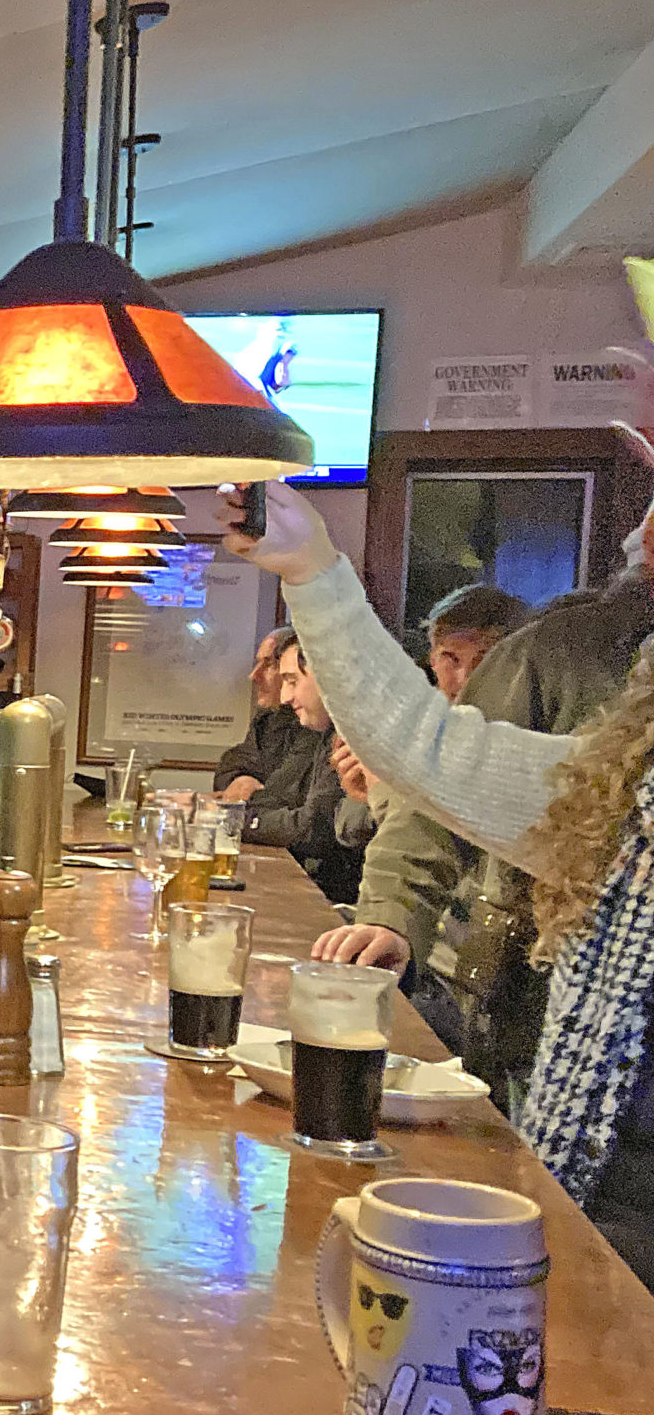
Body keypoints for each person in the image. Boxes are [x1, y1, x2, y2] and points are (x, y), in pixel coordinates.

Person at [223, 482, 654, 1285]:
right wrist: (312, 569)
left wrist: (315, 569)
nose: (643, 530)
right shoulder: (628, 792)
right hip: (591, 1152)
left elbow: (424, 753)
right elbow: (429, 756)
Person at [318, 555, 653, 1099]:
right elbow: (430, 798)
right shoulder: (565, 648)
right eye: (446, 658)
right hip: (523, 974)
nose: (459, 675)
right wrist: (392, 919)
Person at [328, 585, 528, 856]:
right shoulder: (405, 721)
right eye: (451, 659)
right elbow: (348, 829)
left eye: (484, 662)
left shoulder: (520, 735)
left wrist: (390, 799)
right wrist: (367, 793)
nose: (465, 678)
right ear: (433, 658)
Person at [241, 636, 359, 902]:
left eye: (292, 681)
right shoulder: (328, 731)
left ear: (330, 676)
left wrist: (233, 821)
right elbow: (282, 797)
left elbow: (315, 827)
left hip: (347, 908)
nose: (285, 697)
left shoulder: (357, 736)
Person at [212, 625, 304, 803]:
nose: (254, 675)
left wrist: (254, 798)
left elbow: (286, 792)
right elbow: (236, 760)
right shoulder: (269, 717)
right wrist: (240, 779)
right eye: (258, 663)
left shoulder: (318, 724)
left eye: (268, 664)